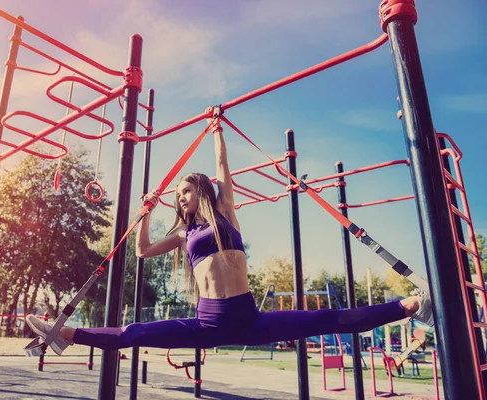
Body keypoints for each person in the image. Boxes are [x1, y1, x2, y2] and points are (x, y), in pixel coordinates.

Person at [26, 108, 433, 356]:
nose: (180, 198)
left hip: (247, 317)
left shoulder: (224, 212)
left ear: (200, 190)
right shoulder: (184, 234)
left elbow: (223, 168)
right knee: (135, 333)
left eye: (184, 191)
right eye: (177, 194)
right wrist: (146, 211)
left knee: (328, 318)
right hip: (207, 322)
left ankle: (411, 306)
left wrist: (216, 127)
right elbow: (143, 250)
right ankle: (65, 333)